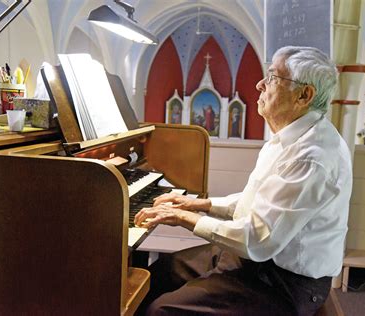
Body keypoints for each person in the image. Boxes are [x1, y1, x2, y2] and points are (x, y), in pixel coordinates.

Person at [134, 46, 352, 315]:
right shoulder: (290, 136)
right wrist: (197, 205)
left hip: (283, 281)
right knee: (157, 274)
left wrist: (182, 218)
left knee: (162, 310)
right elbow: (261, 201)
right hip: (256, 261)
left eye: (273, 77)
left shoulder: (312, 156)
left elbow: (257, 240)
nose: (260, 84)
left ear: (304, 95)